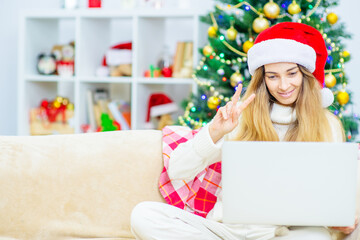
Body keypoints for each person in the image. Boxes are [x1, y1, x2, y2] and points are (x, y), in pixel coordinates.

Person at [130, 22, 359, 240]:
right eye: (272, 76)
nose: (283, 86)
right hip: (227, 231)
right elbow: (177, 170)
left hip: (285, 233)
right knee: (144, 215)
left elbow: (328, 193)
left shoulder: (326, 124)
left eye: (291, 73)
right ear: (263, 79)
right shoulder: (241, 116)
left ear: (306, 76)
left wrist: (336, 220)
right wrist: (215, 131)